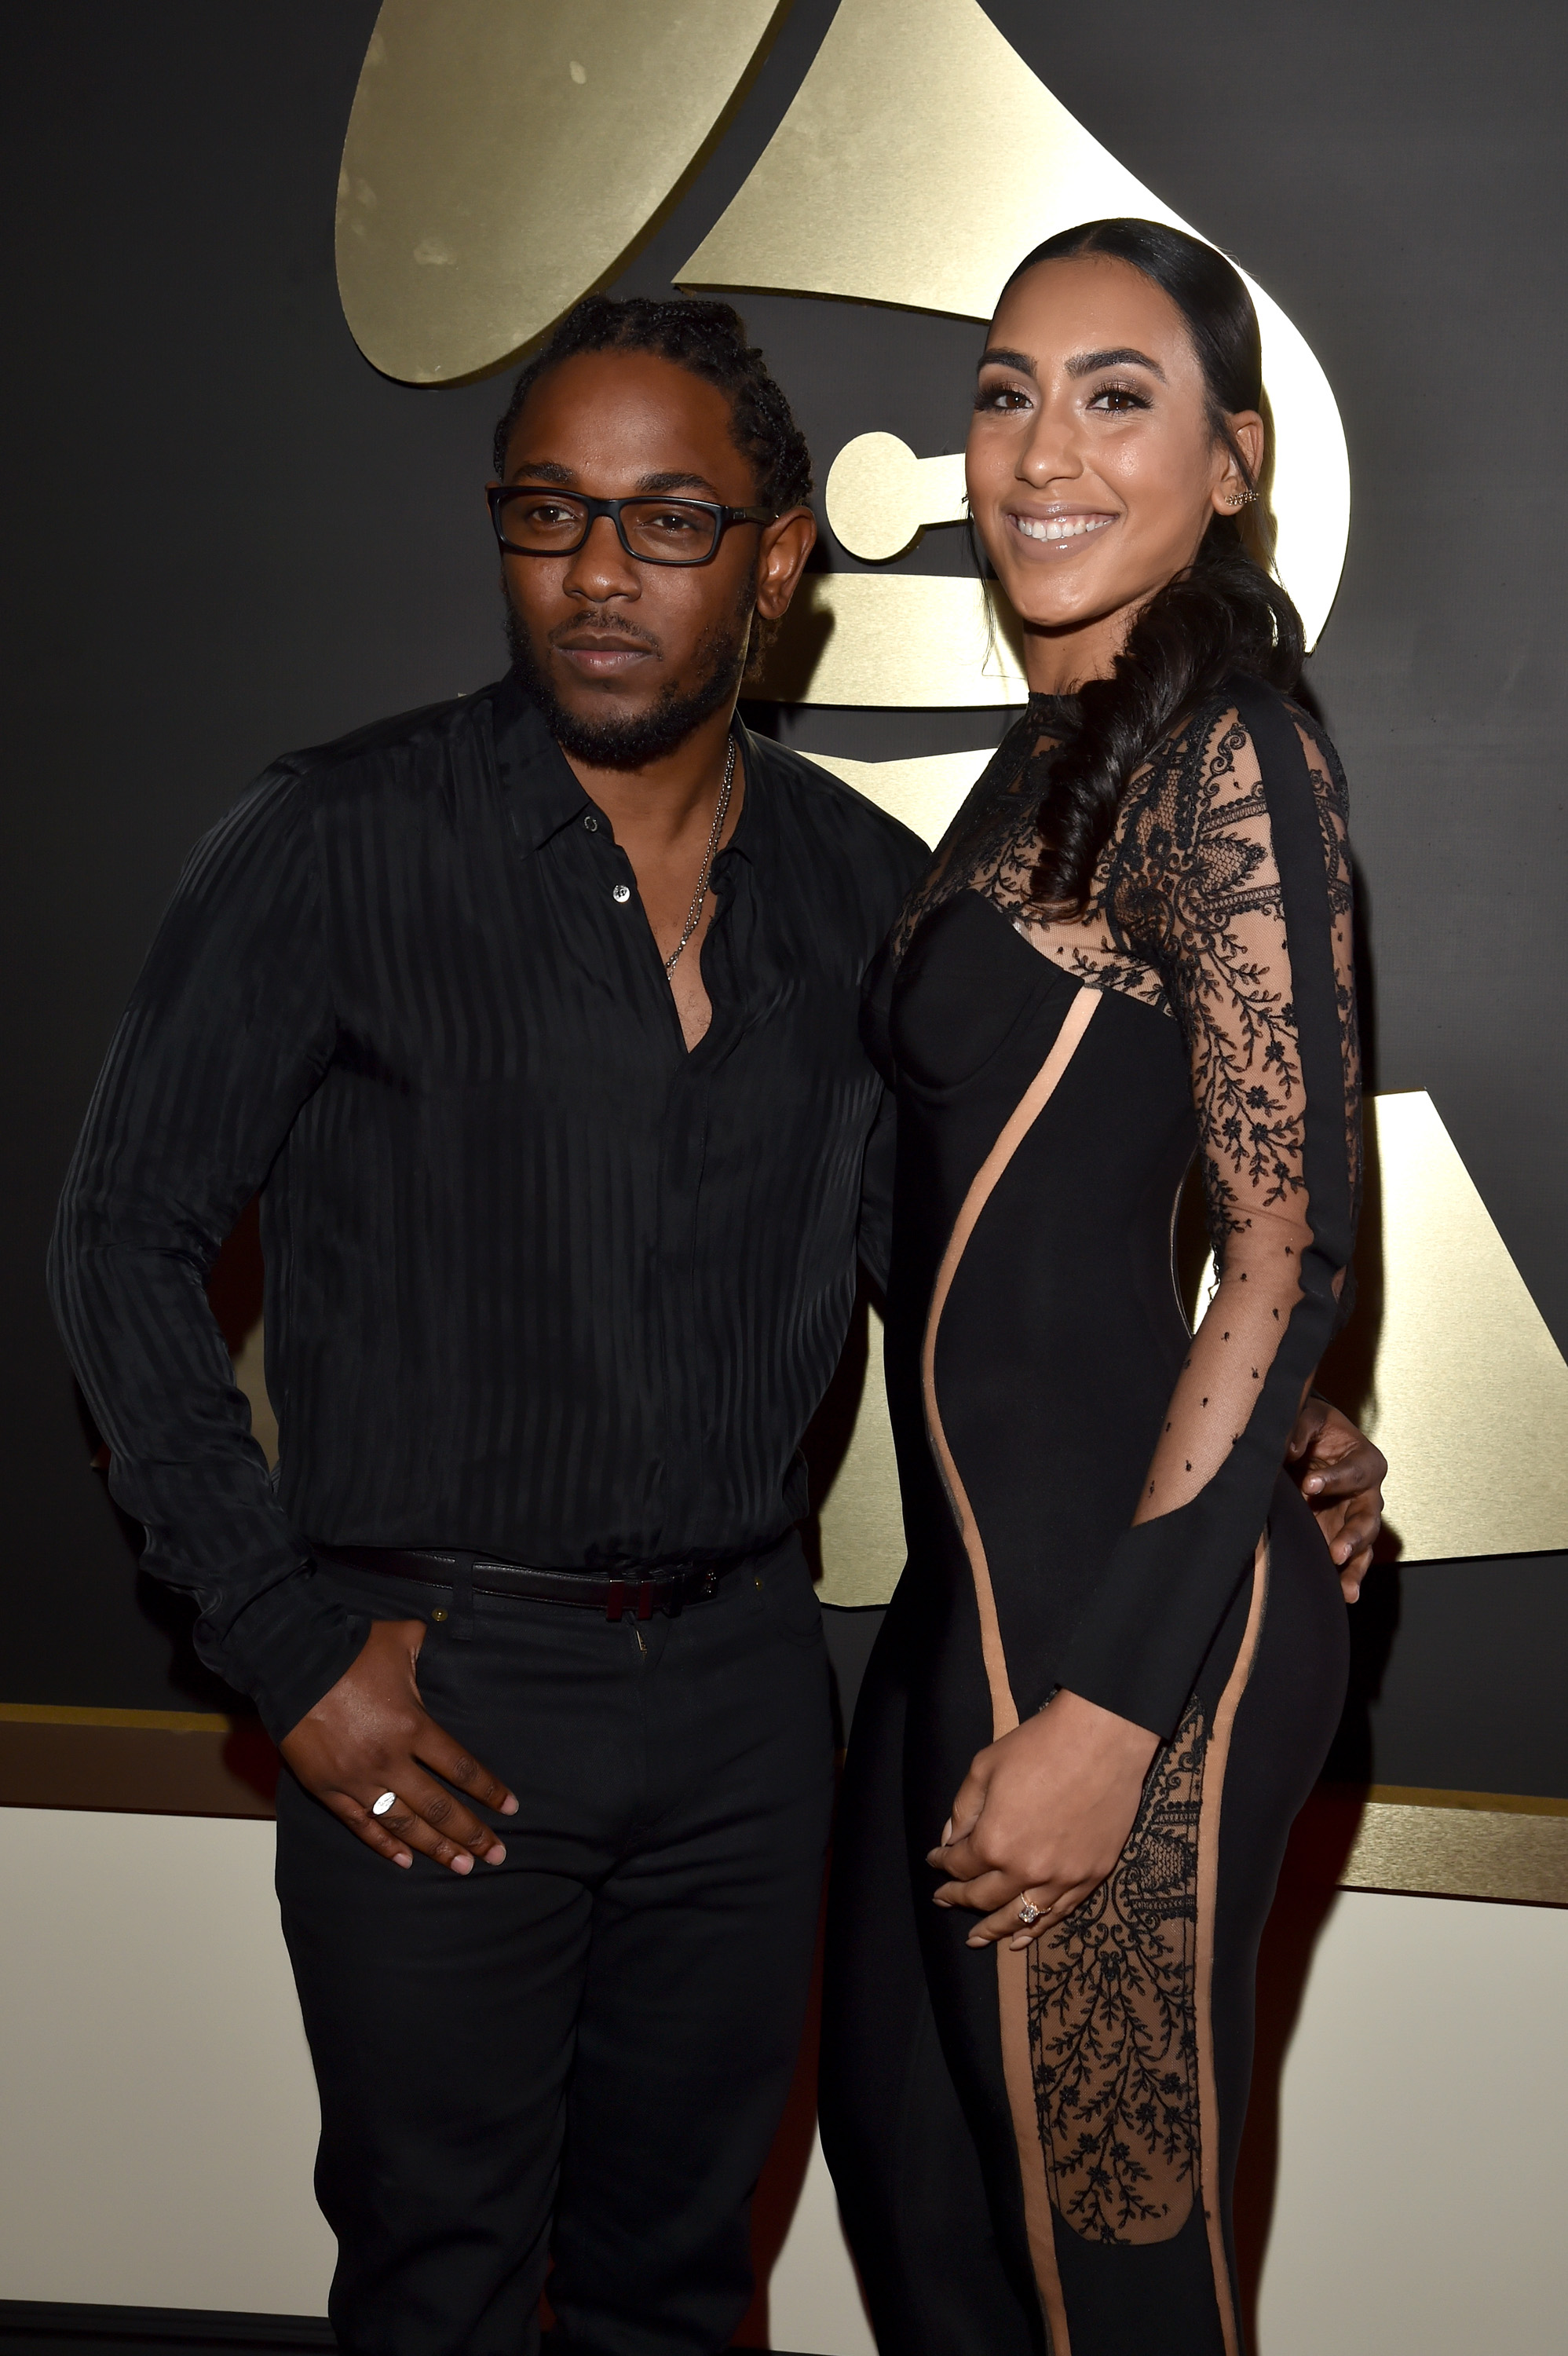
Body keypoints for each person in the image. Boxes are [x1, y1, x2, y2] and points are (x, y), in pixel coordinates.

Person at [49, 291, 1380, 2356]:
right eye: (549, 513)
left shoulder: (866, 889)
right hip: (436, 1692)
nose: (598, 571)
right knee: (446, 2298)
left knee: (689, 2295)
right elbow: (113, 1245)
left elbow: (953, 1257)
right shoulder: (332, 841)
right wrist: (285, 1649)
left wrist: (1276, 1426)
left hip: (760, 1712)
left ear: (776, 564)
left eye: (670, 521)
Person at [819, 219, 1364, 2356]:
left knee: (1115, 2303)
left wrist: (1118, 1710)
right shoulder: (1047, 756)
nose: (1042, 446)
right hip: (968, 1615)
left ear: (1227, 460)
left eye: (1115, 393)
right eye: (1004, 390)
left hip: (1130, 1649)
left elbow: (1287, 1229)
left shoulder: (1224, 744)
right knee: (933, 2257)